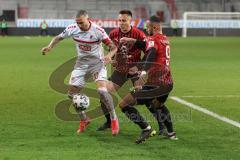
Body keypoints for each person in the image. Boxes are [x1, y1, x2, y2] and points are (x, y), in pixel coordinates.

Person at [41, 10, 119, 136]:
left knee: (102, 91)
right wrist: (49, 46)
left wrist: (109, 55)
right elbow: (58, 37)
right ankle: (84, 119)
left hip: (97, 64)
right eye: (77, 23)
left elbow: (113, 47)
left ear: (88, 19)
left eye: (81, 23)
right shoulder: (72, 28)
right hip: (81, 64)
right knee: (71, 95)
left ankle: (114, 119)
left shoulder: (98, 31)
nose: (79, 25)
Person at [119, 15, 177, 141]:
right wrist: (134, 41)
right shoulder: (165, 39)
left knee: (123, 104)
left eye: (148, 27)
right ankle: (172, 133)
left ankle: (146, 128)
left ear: (155, 27)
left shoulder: (153, 38)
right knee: (158, 105)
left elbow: (151, 53)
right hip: (167, 82)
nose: (146, 29)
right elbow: (147, 44)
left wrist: (143, 74)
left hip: (154, 83)